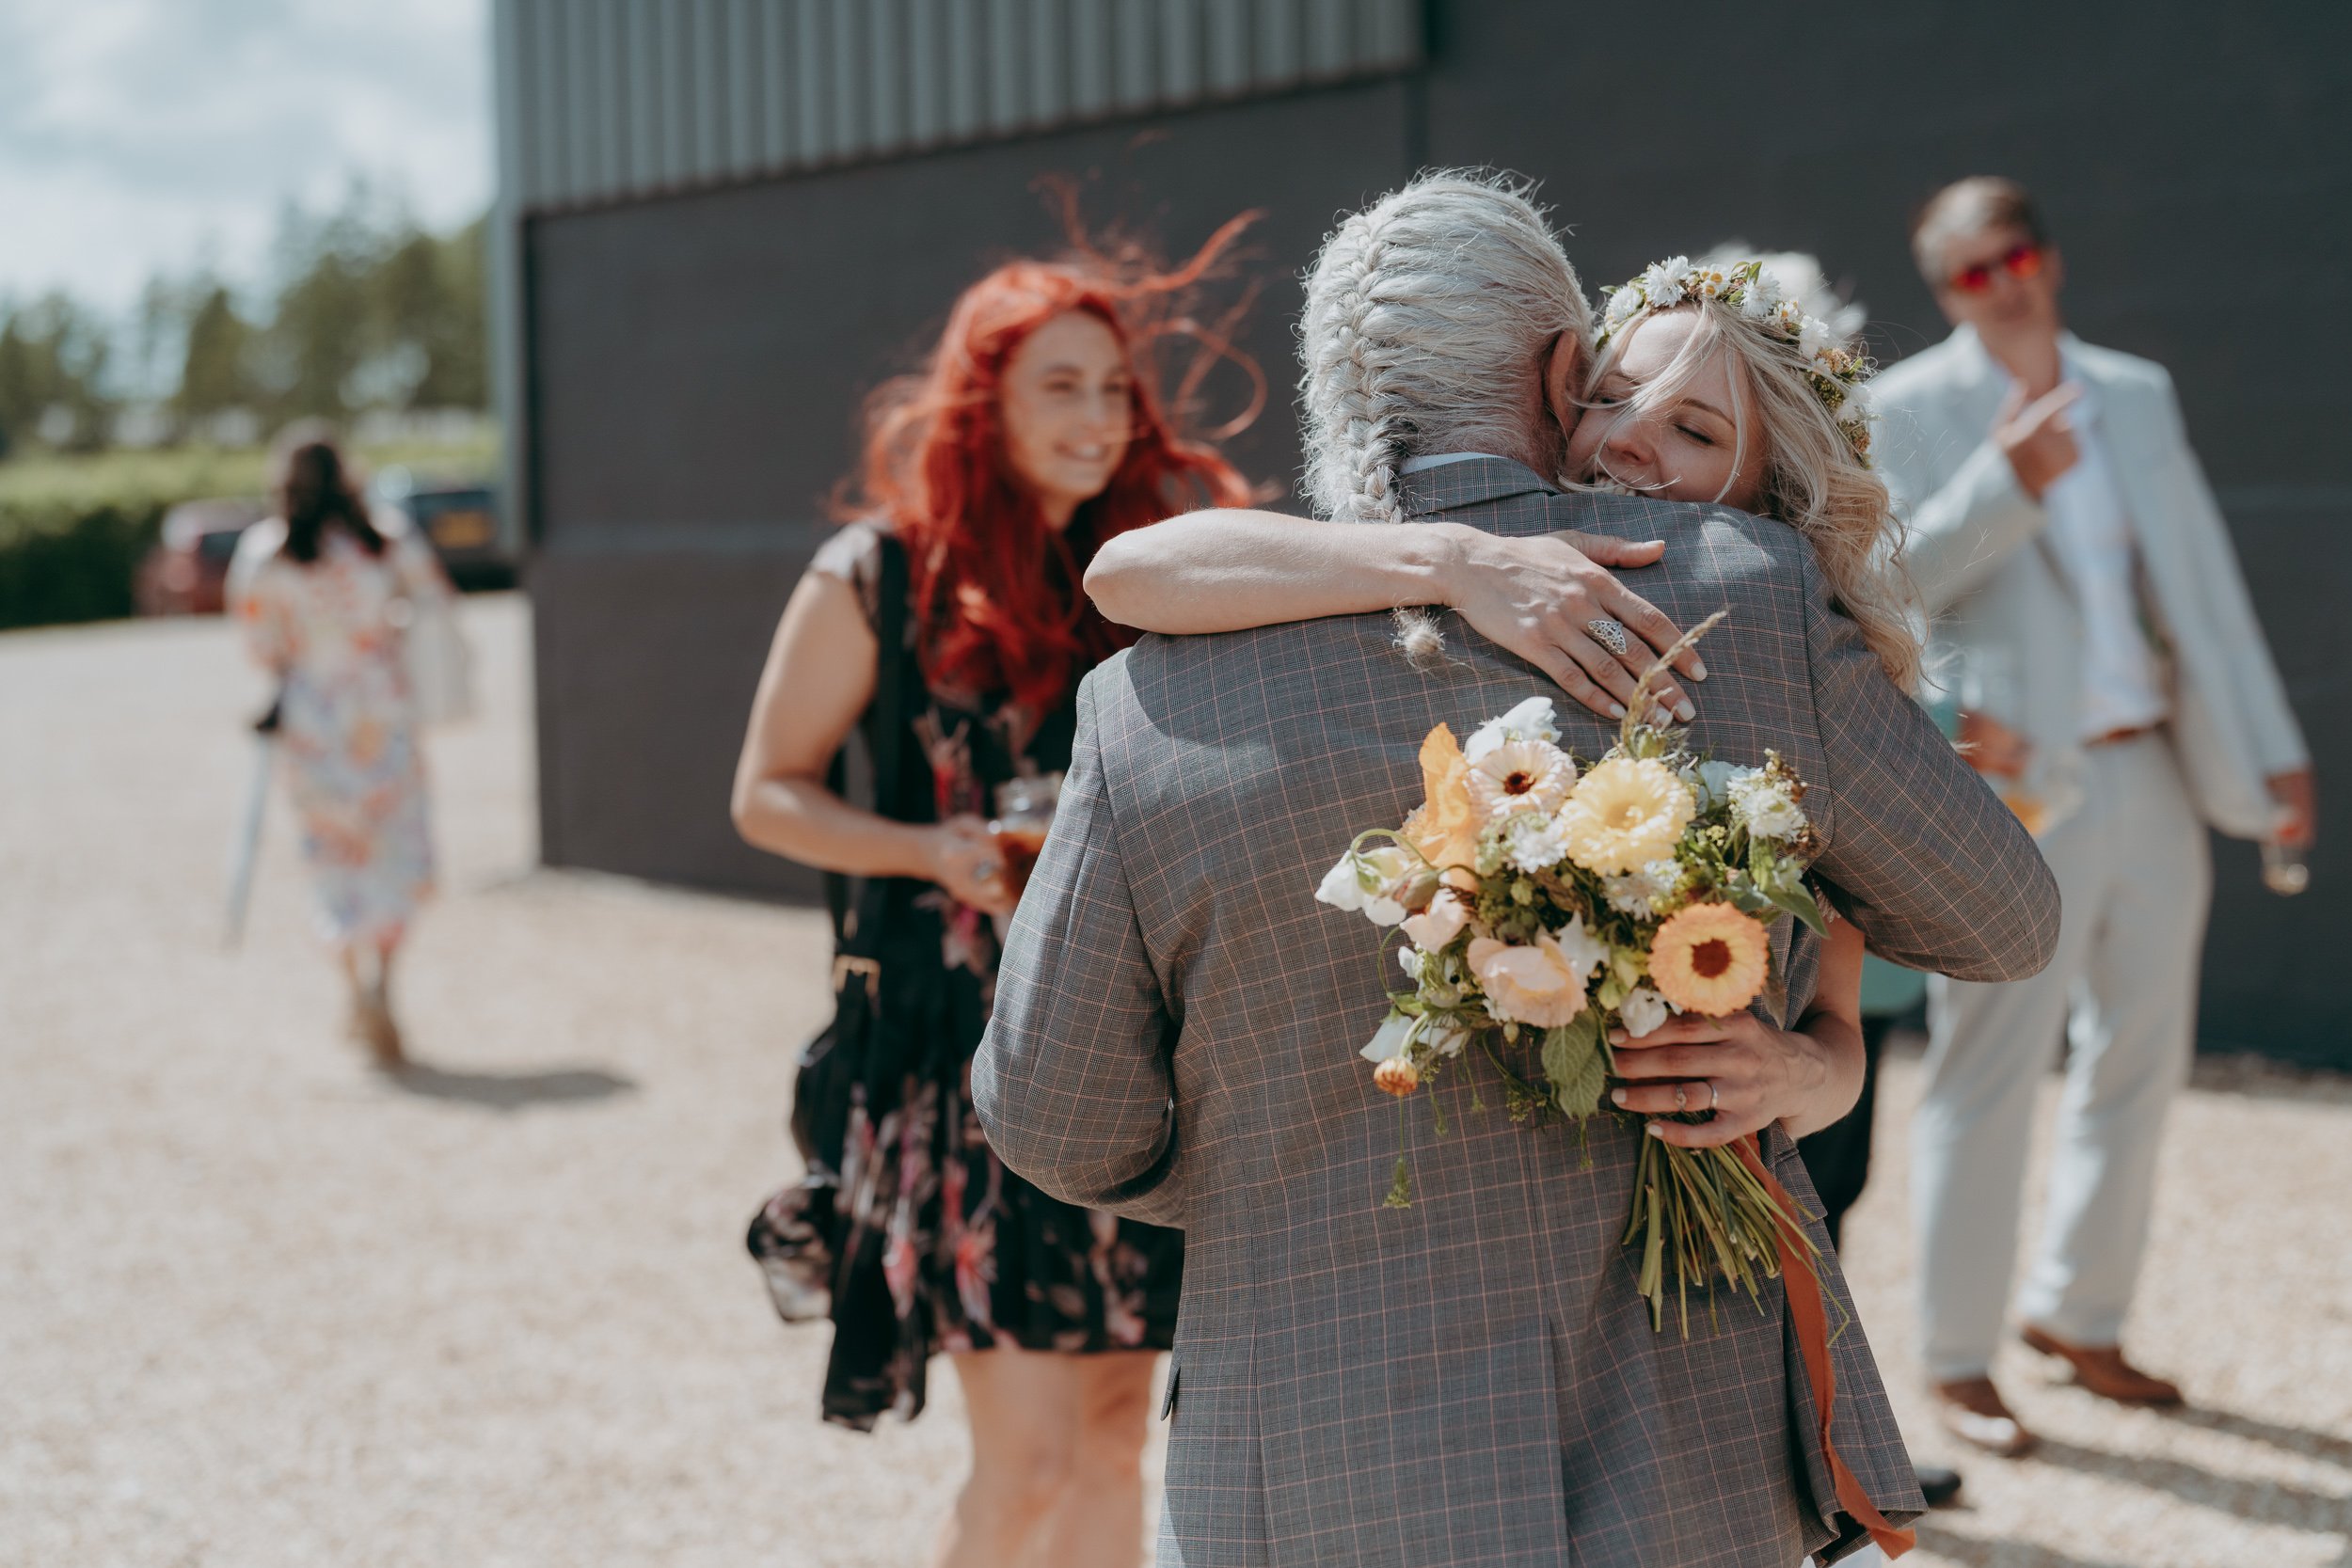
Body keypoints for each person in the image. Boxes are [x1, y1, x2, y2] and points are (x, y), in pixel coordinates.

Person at [977, 172, 2061, 1567]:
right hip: (1683, 1467)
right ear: (1565, 371)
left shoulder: (1144, 705)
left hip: (1305, 1468)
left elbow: (1054, 1122)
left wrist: (1286, 1160)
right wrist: (1812, 1056)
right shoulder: (1743, 590)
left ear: (1336, 408)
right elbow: (2005, 918)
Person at [729, 230, 1257, 1568]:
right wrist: (932, 848)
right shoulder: (878, 572)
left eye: (1113, 388)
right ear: (987, 405)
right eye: (1060, 386)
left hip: (1144, 1059)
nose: (1098, 416)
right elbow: (766, 791)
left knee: (1120, 1435)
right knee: (1022, 1465)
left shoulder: (1152, 568)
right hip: (968, 1068)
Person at [1873, 177, 2317, 1456]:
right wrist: (2002, 483)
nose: (1998, 282)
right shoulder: (1908, 410)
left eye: (2013, 256)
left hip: (2156, 761)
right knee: (1988, 1061)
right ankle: (1958, 1356)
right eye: (1968, 272)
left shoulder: (2138, 392)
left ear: (2048, 258)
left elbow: (2205, 578)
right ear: (1942, 289)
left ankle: (2081, 1314)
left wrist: (2275, 747)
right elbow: (1891, 591)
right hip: (2017, 783)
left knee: (2142, 1049)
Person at [227, 423, 453, 1067]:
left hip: (313, 721)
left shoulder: (266, 554)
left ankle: (354, 984)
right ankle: (385, 979)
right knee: (394, 849)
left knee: (335, 859)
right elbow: (434, 602)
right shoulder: (384, 540)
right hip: (383, 710)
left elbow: (259, 647)